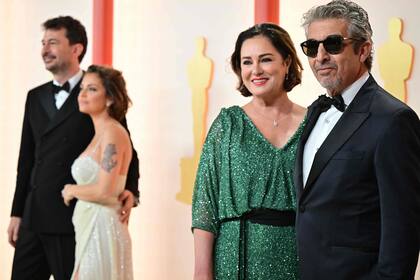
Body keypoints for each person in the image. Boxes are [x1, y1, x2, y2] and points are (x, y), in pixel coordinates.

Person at [7, 16, 140, 280]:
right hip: (34, 216)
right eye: (43, 43)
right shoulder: (35, 96)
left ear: (76, 49)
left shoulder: (98, 94)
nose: (45, 49)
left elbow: (127, 149)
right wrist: (17, 212)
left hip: (73, 217)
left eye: (53, 42)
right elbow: (27, 159)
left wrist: (131, 190)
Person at [294, 1, 420, 279]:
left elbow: (403, 230)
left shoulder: (394, 120)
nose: (320, 56)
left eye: (333, 44)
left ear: (363, 50)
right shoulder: (315, 113)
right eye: (312, 47)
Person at [192, 23, 306, 280]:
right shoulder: (228, 124)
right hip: (235, 259)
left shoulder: (314, 124)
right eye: (246, 62)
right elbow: (204, 203)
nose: (255, 70)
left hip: (298, 257)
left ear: (286, 62)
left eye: (265, 60)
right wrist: (201, 272)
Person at [62, 64, 133, 280]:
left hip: (102, 229)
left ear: (110, 98)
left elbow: (105, 191)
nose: (82, 94)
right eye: (82, 88)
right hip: (89, 228)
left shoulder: (112, 132)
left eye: (92, 89)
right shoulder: (100, 133)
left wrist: (72, 190)